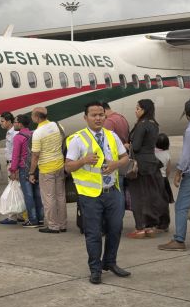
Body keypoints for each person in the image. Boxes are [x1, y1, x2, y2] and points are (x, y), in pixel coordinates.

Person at [65, 101, 130, 285]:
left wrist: (115, 164)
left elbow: (125, 157)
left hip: (113, 192)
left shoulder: (111, 136)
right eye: (94, 115)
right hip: (90, 194)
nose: (98, 118)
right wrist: (83, 160)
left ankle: (110, 262)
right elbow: (68, 167)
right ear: (86, 118)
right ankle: (95, 269)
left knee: (115, 229)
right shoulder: (78, 139)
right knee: (93, 234)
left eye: (101, 114)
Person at [159, 100, 190, 251]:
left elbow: (187, 155)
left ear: (187, 114)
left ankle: (179, 240)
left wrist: (178, 172)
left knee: (181, 207)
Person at [125, 99, 169, 239]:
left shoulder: (142, 125)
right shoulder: (154, 124)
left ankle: (140, 228)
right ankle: (150, 227)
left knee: (138, 196)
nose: (135, 111)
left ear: (144, 110)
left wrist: (128, 146)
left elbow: (136, 146)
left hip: (140, 164)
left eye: (138, 108)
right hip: (152, 162)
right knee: (150, 195)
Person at [29, 107, 67, 233]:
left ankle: (53, 225)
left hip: (46, 168)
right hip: (60, 165)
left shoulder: (38, 132)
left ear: (37, 117)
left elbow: (35, 155)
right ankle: (62, 224)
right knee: (60, 196)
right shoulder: (57, 125)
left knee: (49, 198)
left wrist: (31, 172)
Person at [10, 113, 43, 228]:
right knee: (37, 194)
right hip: (36, 167)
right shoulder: (34, 134)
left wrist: (13, 170)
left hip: (25, 168)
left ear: (19, 124)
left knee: (28, 195)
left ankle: (33, 220)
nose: (13, 124)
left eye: (14, 122)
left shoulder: (18, 137)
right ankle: (41, 219)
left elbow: (15, 156)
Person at [0, 111, 20, 225]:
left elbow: (16, 152)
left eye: (2, 121)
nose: (1, 123)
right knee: (16, 188)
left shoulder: (14, 134)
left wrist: (13, 168)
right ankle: (20, 214)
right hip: (11, 163)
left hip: (13, 164)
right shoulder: (10, 133)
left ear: (9, 121)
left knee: (13, 189)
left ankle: (12, 217)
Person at [154, 133, 174, 232]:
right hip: (163, 180)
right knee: (164, 203)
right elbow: (168, 169)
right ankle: (164, 223)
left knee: (154, 202)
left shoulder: (153, 153)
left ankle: (155, 222)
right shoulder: (167, 154)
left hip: (154, 180)